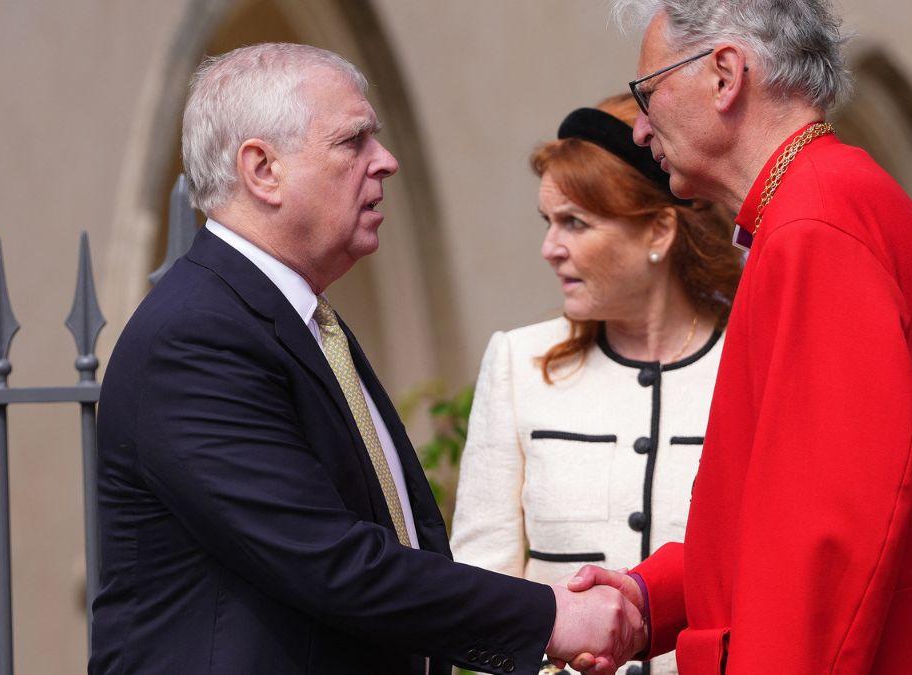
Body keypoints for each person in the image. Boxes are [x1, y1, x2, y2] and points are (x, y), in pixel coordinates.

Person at [90, 43, 644, 675]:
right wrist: (550, 617)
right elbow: (326, 559)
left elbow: (394, 542)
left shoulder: (299, 319)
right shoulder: (195, 337)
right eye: (353, 142)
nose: (386, 161)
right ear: (262, 169)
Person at [568, 2, 912, 673]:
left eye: (648, 93)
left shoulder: (816, 224)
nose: (642, 127)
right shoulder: (821, 203)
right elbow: (776, 517)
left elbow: (826, 548)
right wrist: (655, 599)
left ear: (725, 75)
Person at [450, 93, 741, 675]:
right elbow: (483, 581)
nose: (550, 248)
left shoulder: (746, 363)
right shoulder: (518, 362)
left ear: (658, 230)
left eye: (575, 223)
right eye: (549, 222)